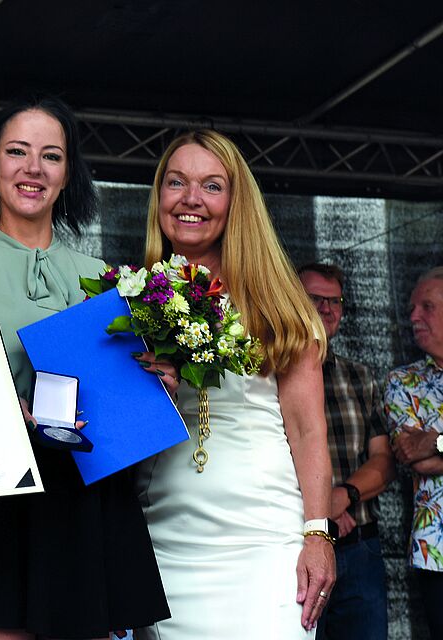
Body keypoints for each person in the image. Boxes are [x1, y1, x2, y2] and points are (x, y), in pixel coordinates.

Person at [0, 95, 170, 639]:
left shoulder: (105, 278)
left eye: (51, 156)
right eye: (17, 152)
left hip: (85, 500)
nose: (32, 169)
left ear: (68, 172)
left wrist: (150, 383)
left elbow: (119, 403)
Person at [133, 130, 336, 639]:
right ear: (159, 197)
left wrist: (318, 535)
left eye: (211, 185)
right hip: (166, 542)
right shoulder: (129, 303)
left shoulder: (280, 306)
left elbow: (310, 434)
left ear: (236, 202)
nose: (191, 199)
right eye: (175, 182)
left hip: (265, 542)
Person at [298, 263, 395, 640]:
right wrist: (320, 512)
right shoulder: (267, 373)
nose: (326, 308)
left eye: (334, 300)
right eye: (315, 299)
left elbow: (385, 462)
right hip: (297, 546)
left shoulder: (360, 376)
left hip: (360, 552)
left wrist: (344, 495)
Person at [385, 266, 443, 639]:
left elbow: (429, 451)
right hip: (437, 551)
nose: (413, 317)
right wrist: (427, 450)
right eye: (411, 308)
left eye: (428, 306)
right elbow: (413, 457)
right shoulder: (403, 381)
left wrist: (436, 440)